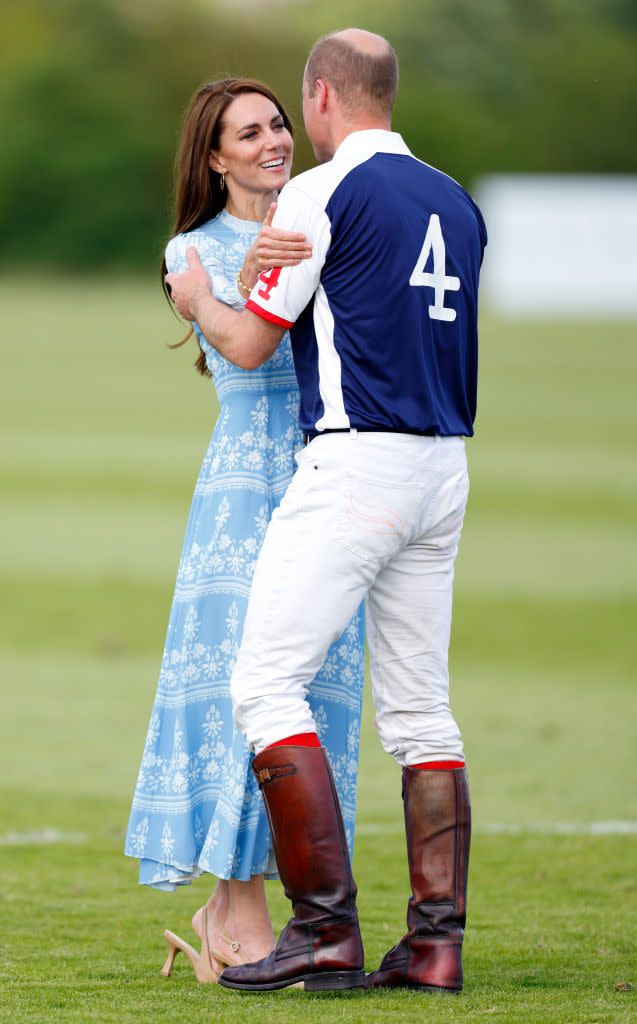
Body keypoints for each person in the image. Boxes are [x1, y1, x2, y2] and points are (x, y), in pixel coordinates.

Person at [166, 28, 487, 994]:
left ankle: (324, 933)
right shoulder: (458, 199)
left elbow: (254, 339)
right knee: (423, 713)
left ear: (320, 98)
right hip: (446, 464)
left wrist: (193, 297)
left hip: (357, 466)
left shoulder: (320, 192)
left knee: (265, 686)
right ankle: (434, 947)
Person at [124, 77, 365, 984]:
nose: (273, 141)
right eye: (248, 132)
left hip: (329, 472)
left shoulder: (322, 218)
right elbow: (241, 340)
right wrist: (243, 278)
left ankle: (233, 909)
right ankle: (242, 905)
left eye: (277, 124)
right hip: (244, 488)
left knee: (319, 690)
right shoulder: (191, 250)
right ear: (214, 157)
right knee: (244, 689)